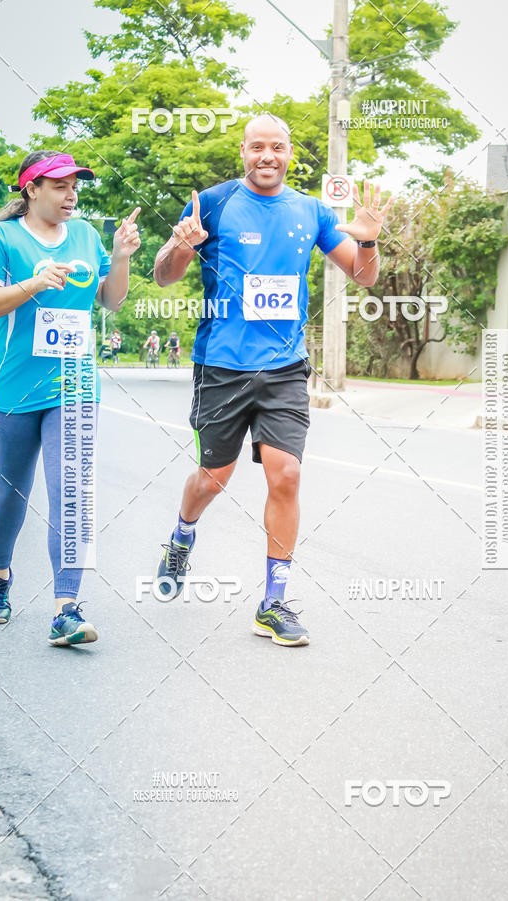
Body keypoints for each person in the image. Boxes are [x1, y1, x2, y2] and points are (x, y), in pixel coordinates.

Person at [153, 114, 390, 647]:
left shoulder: (311, 210)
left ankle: (273, 602)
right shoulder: (211, 203)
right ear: (243, 152)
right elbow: (164, 273)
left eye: (277, 148)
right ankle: (182, 534)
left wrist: (370, 241)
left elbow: (362, 273)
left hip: (284, 367)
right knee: (214, 477)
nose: (267, 156)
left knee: (285, 476)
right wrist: (184, 245)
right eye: (257, 147)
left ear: (289, 154)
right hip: (222, 366)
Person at [0, 150, 141, 643]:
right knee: (11, 491)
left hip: (74, 382)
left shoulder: (86, 236)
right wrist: (34, 283)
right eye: (59, 185)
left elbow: (110, 300)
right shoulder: (3, 238)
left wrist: (118, 259)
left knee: (71, 491)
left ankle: (67, 608)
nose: (71, 193)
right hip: (13, 384)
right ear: (31, 189)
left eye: (75, 184)